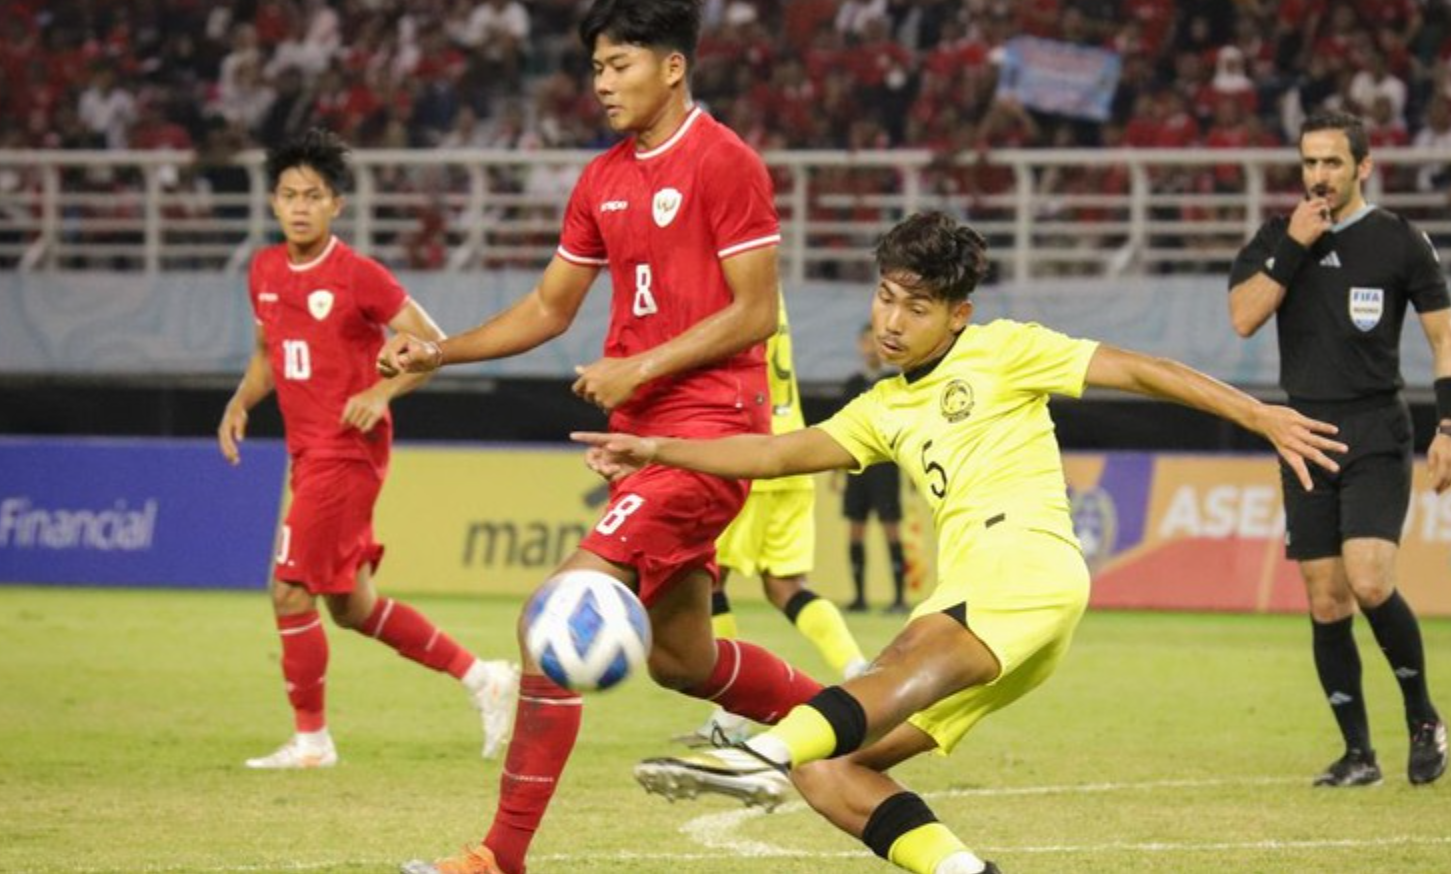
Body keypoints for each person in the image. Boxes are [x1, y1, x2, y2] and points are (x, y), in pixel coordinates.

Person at [577, 211, 1346, 874]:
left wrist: (1264, 418)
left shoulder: (1007, 350)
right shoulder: (882, 407)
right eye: (885, 298)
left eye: (916, 306)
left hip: (1028, 568)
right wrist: (658, 448)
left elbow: (1141, 370)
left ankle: (756, 756)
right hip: (980, 599)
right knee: (832, 766)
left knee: (885, 678)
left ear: (958, 315)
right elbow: (777, 453)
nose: (892, 321)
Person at [382, 3, 824, 872]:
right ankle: (858, 723)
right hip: (641, 442)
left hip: (710, 436)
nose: (603, 83)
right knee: (684, 661)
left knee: (553, 620)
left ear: (672, 67)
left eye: (621, 64)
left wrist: (638, 367)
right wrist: (438, 351)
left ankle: (498, 857)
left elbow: (756, 312)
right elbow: (551, 308)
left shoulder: (724, 162)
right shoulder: (601, 180)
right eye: (595, 69)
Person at [217, 128, 518, 770]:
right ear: (273, 202)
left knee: (288, 589)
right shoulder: (264, 270)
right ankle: (484, 678)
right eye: (290, 194)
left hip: (347, 452)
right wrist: (241, 403)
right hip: (307, 454)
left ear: (336, 206)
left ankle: (312, 741)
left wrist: (381, 394)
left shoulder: (358, 276)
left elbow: (431, 344)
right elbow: (268, 356)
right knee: (352, 607)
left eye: (315, 195)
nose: (300, 206)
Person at [1227, 109, 1451, 788]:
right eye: (1309, 163)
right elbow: (1244, 318)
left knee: (1368, 582)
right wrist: (1294, 247)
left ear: (1364, 166)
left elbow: (1444, 338)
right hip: (1302, 434)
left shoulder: (1400, 241)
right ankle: (1359, 753)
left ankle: (1423, 716)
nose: (1319, 176)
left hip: (1374, 430)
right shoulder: (1279, 237)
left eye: (1332, 162)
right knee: (1326, 599)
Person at [686, 297, 871, 747]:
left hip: (750, 452)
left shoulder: (729, 293)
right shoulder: (772, 294)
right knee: (786, 586)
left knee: (708, 580)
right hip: (792, 450)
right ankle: (857, 670)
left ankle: (728, 715)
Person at [840, 321, 909, 613]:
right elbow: (842, 427)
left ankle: (899, 598)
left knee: (891, 529)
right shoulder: (852, 384)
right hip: (857, 466)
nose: (869, 347)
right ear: (860, 345)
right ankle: (859, 597)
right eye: (865, 342)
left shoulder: (895, 383)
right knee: (856, 529)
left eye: (873, 342)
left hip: (885, 466)